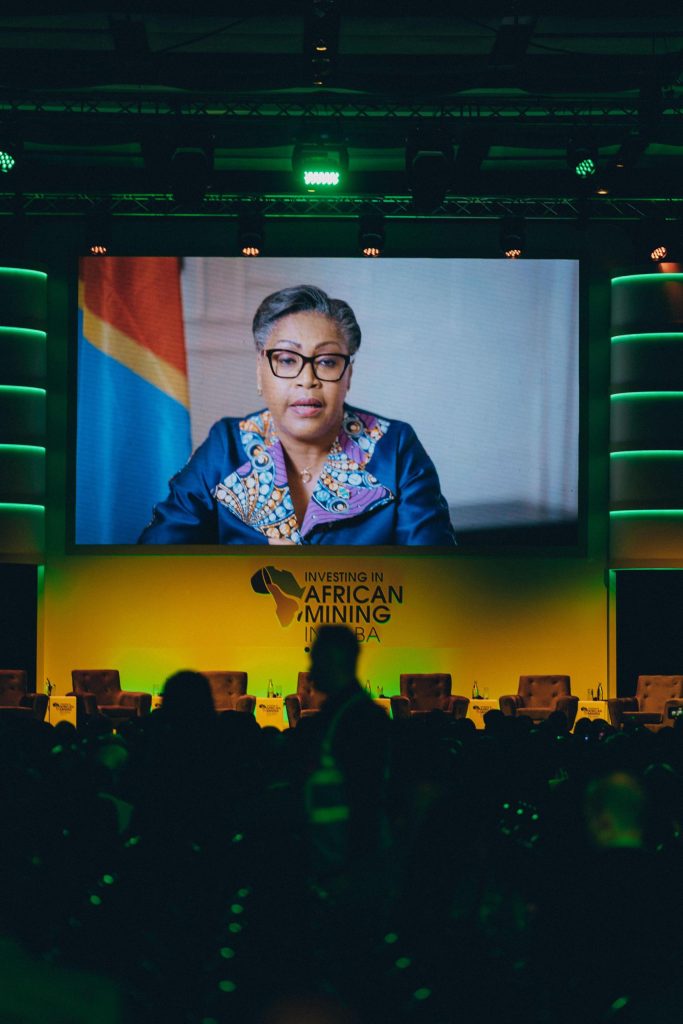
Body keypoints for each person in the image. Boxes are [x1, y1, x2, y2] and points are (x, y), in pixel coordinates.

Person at [139, 284, 455, 545]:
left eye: (327, 362)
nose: (307, 379)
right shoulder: (226, 447)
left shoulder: (395, 448)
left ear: (348, 375)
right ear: (260, 371)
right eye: (288, 360)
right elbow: (157, 563)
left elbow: (433, 580)